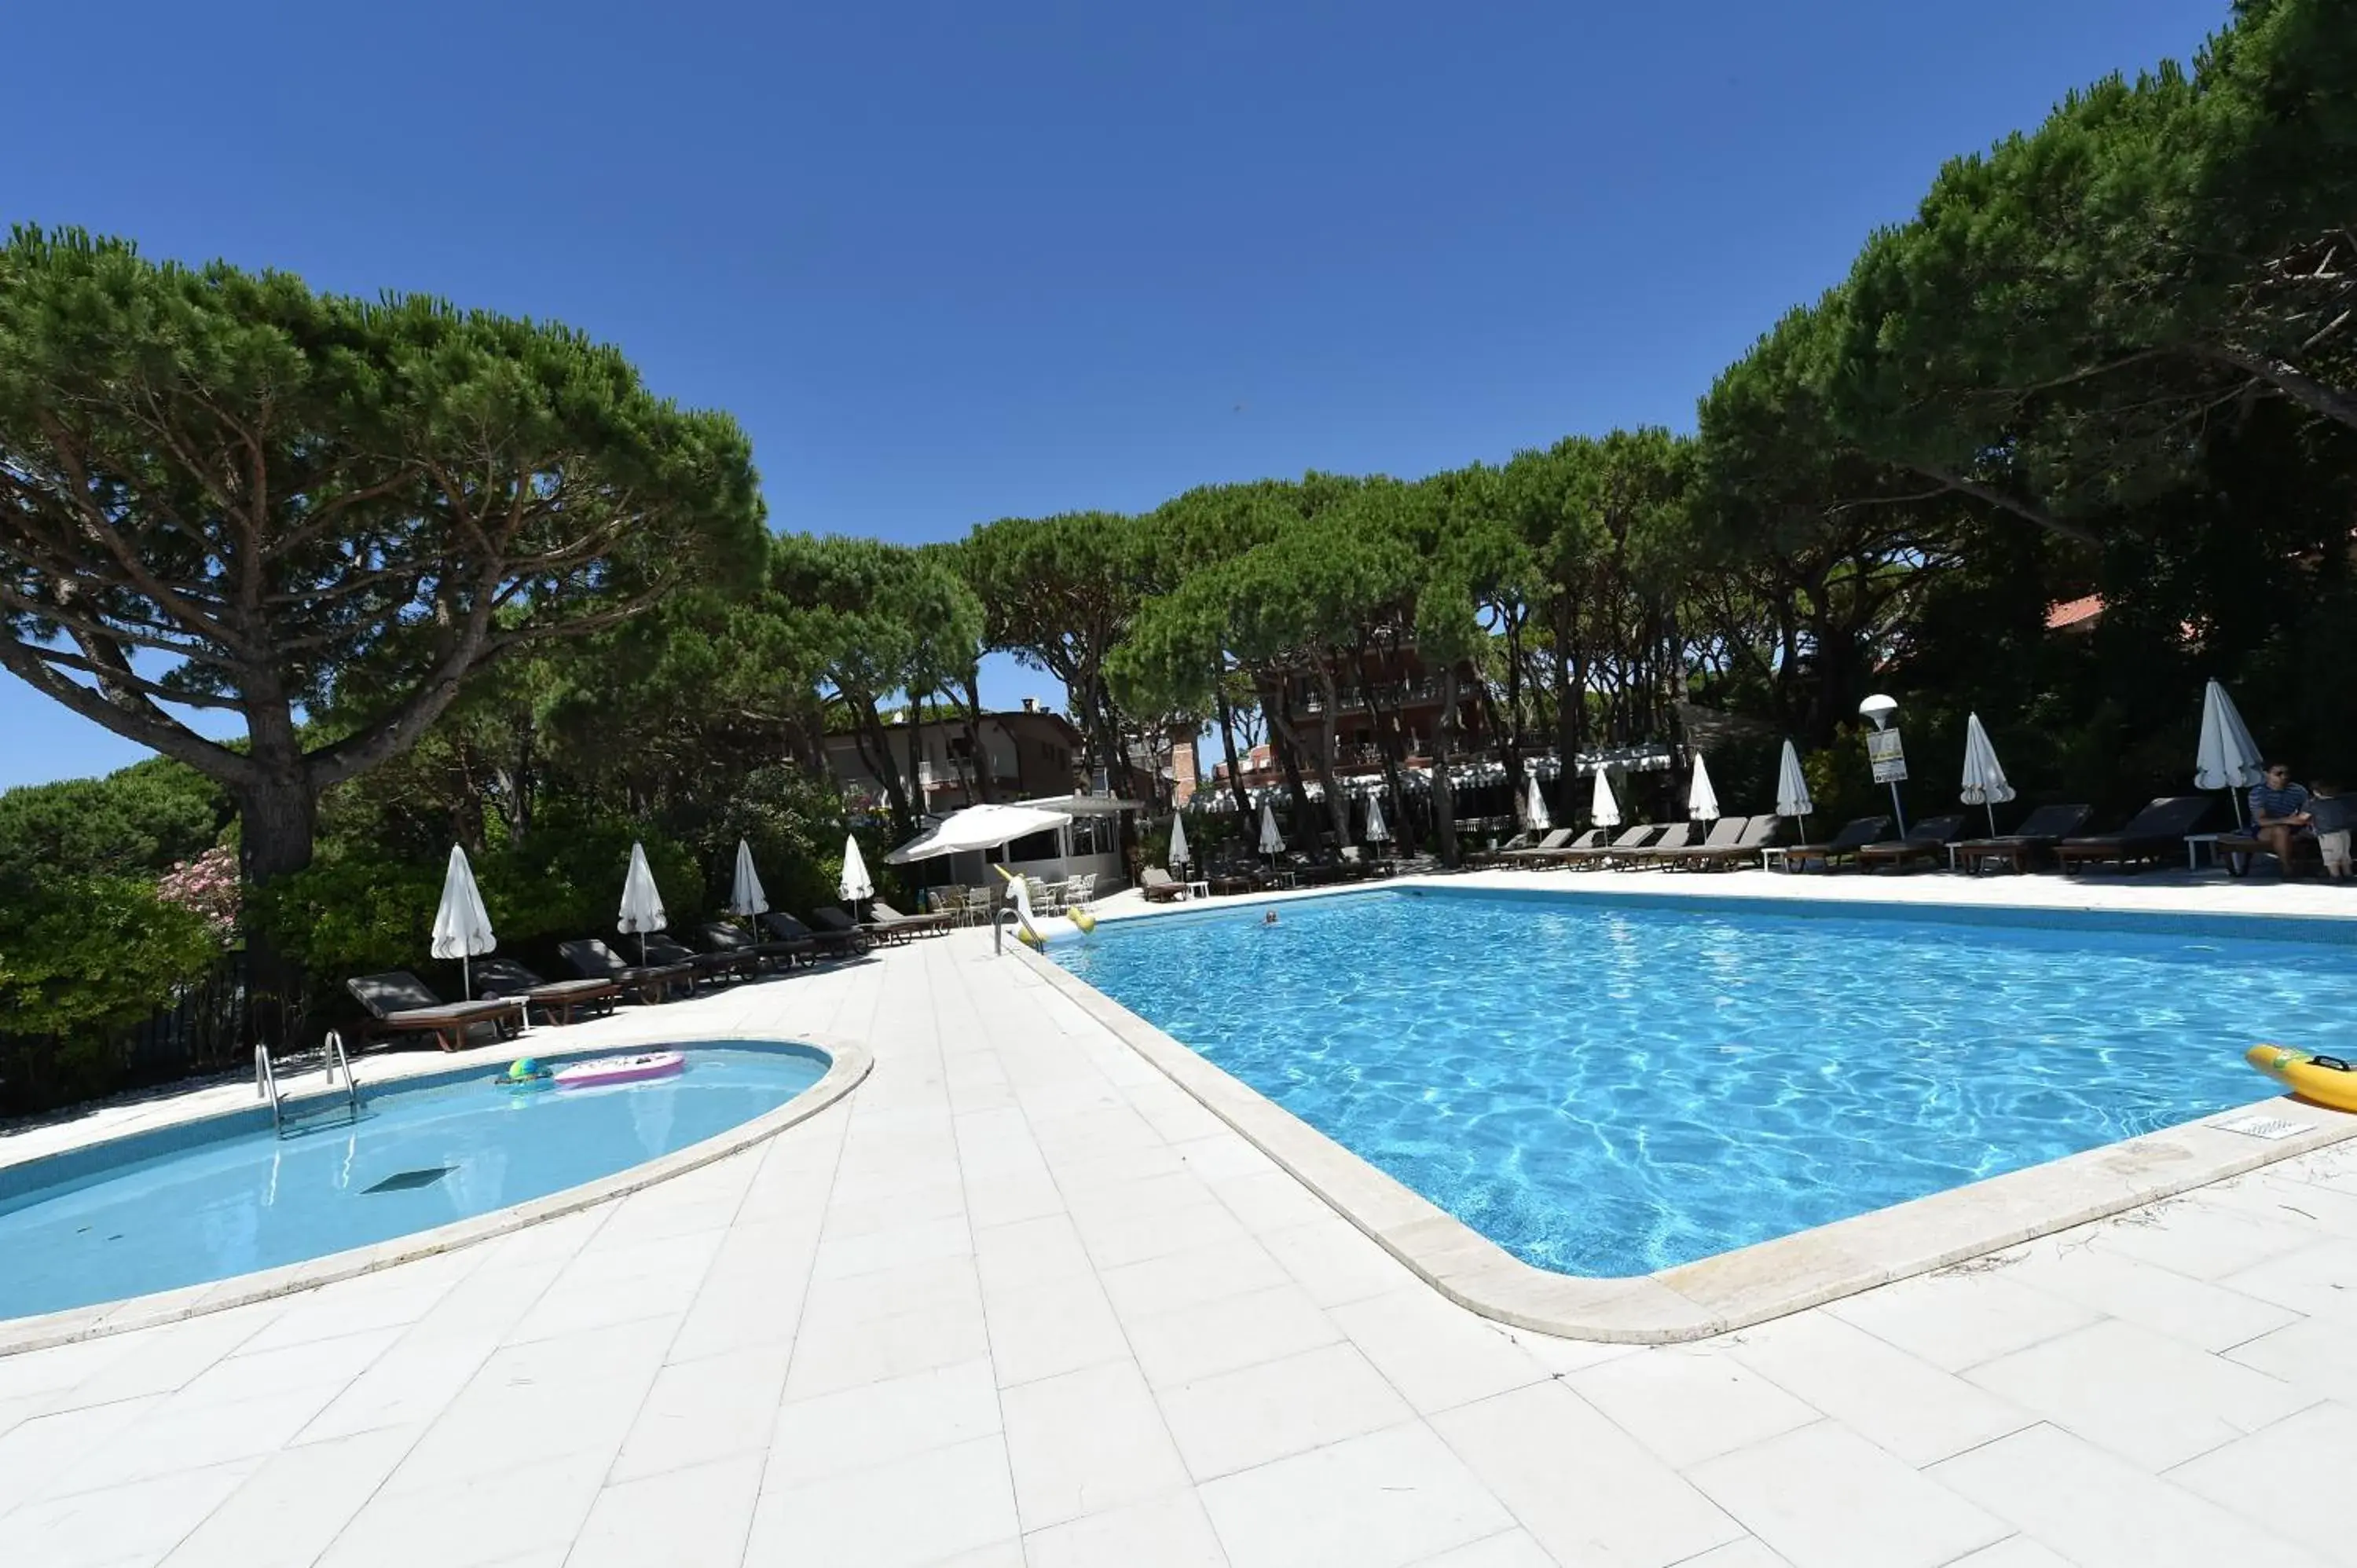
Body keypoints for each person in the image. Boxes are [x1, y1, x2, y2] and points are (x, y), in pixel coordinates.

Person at [2249, 762, 2313, 872]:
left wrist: (2303, 819)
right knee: (2281, 830)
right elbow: (2261, 821)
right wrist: (2288, 820)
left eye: (2286, 773)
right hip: (2265, 829)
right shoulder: (2258, 792)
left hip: (2294, 825)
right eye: (2278, 774)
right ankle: (2287, 868)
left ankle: (2332, 866)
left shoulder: (2298, 790)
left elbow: (2310, 810)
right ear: (2267, 774)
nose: (2284, 777)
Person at [2310, 781, 2352, 882]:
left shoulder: (2314, 804)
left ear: (2316, 792)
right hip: (2344, 832)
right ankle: (2348, 874)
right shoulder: (2342, 802)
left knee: (2330, 855)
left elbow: (2303, 817)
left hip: (2327, 834)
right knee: (2345, 855)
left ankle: (2335, 876)